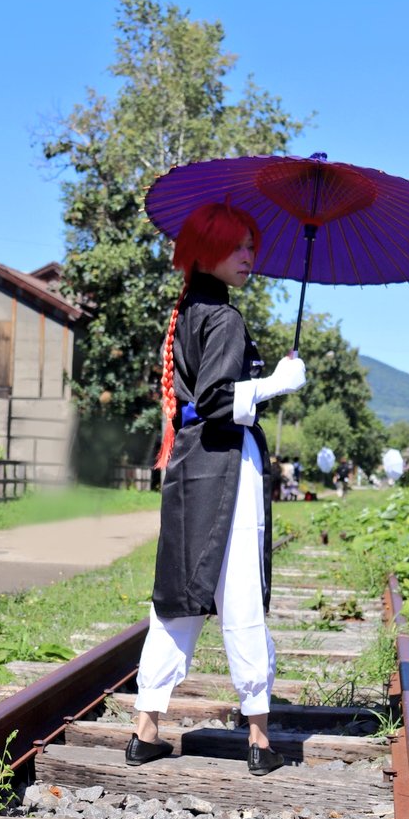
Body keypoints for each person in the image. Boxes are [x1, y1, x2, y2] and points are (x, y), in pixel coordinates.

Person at [127, 201, 306, 776]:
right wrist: (277, 383)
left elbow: (196, 402)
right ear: (206, 251)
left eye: (251, 246)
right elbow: (217, 400)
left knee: (177, 593)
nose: (249, 256)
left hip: (189, 466)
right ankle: (259, 738)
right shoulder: (224, 318)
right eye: (236, 246)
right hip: (228, 464)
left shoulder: (187, 312)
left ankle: (145, 731)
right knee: (240, 592)